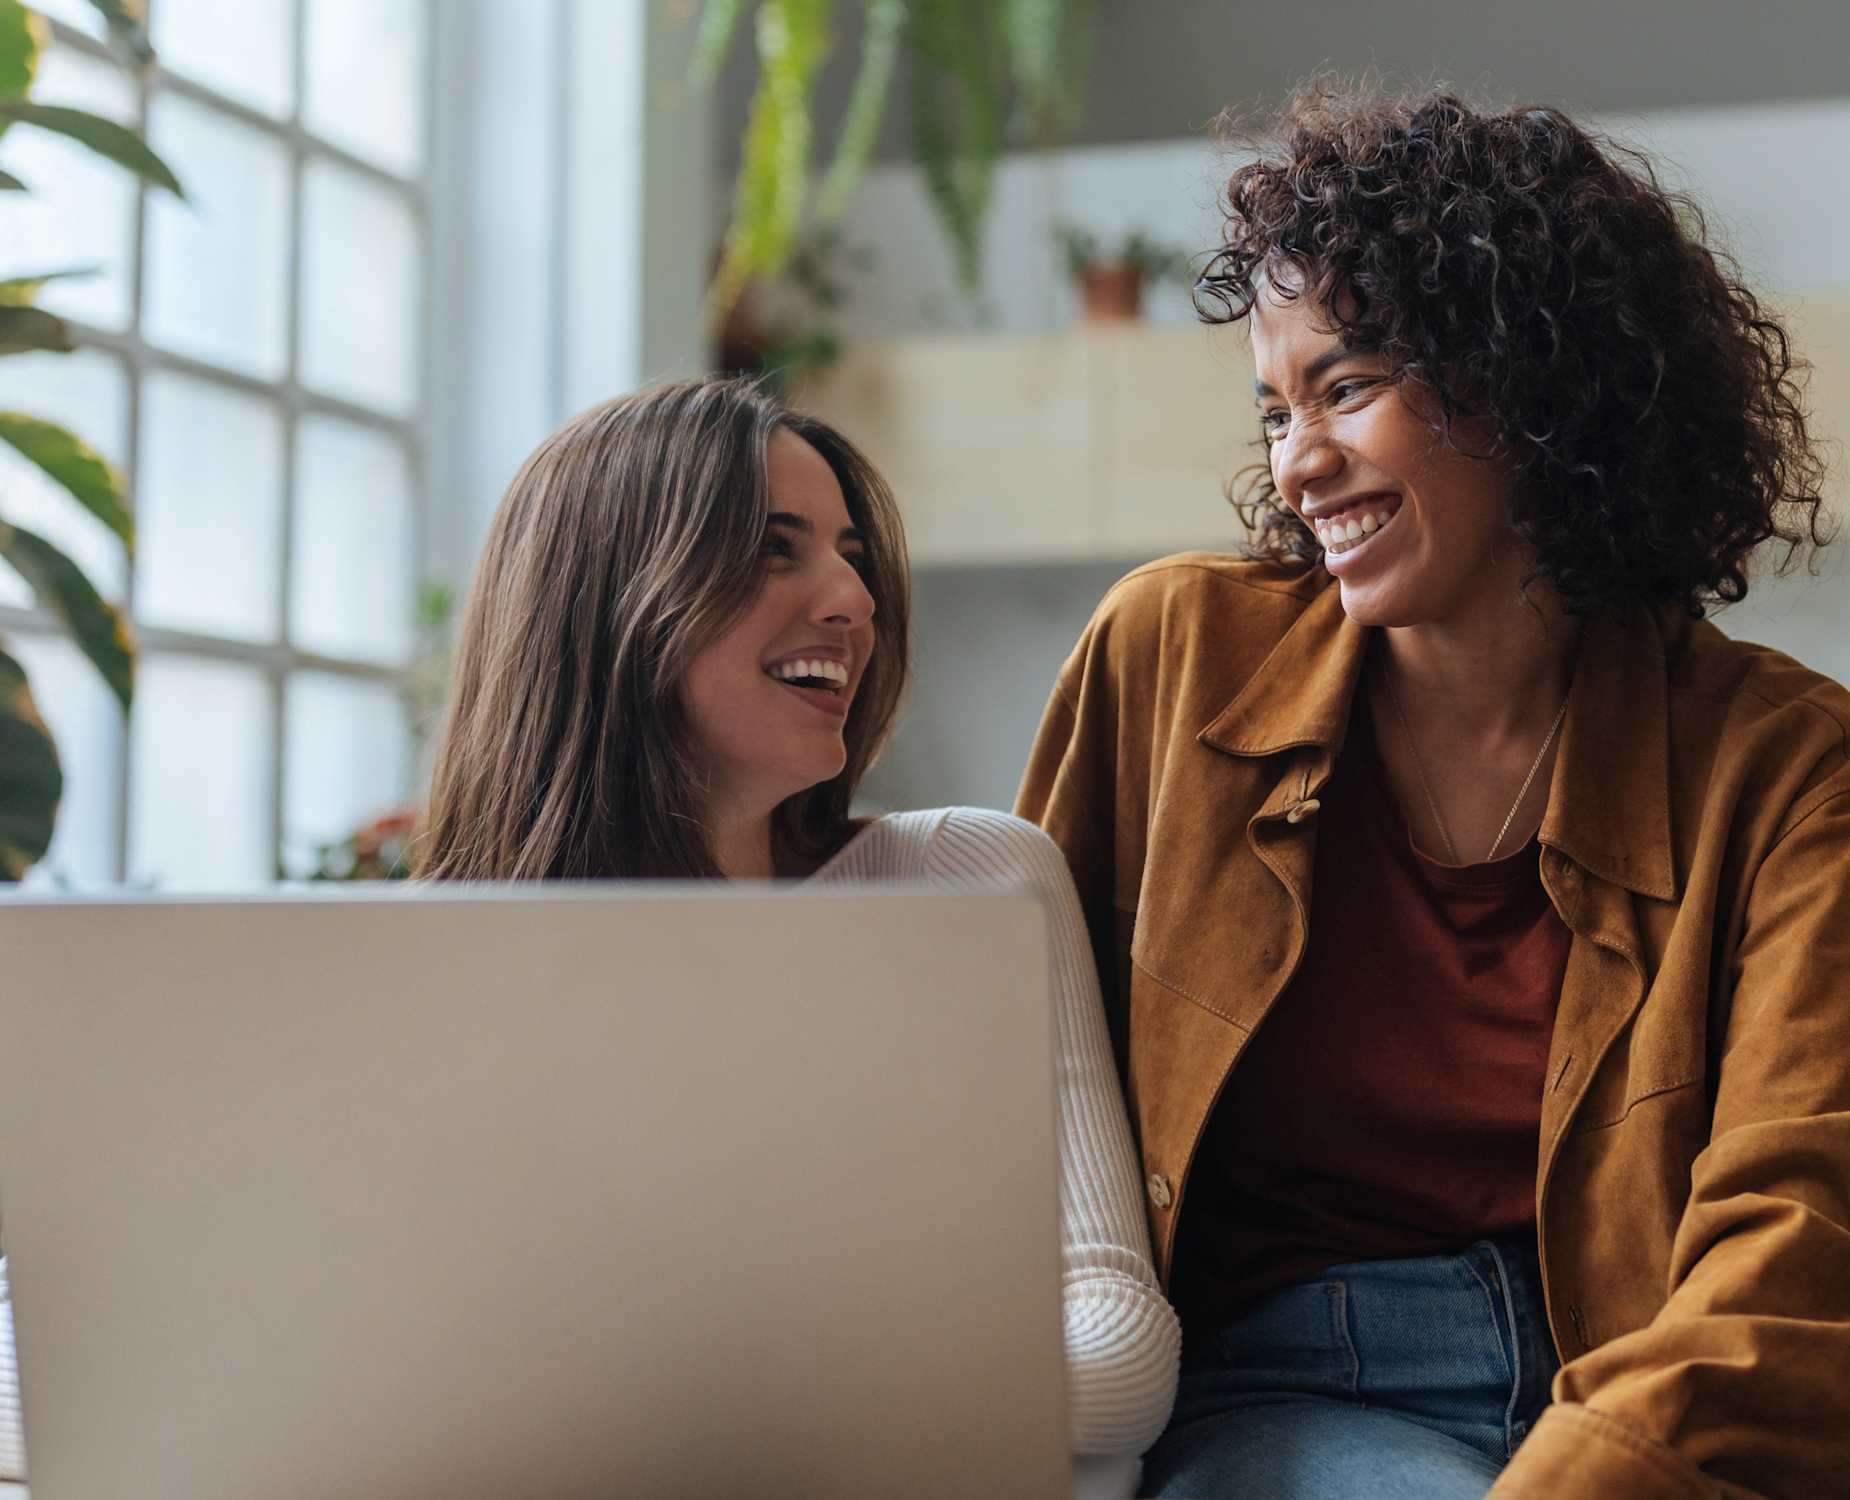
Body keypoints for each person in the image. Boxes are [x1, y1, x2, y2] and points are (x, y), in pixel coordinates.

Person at [1015, 80, 1850, 1499]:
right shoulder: (1169, 657)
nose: (1298, 464)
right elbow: (1006, 1100)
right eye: (1276, 410)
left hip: (1642, 1394)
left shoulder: (1779, 765)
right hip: (1284, 1389)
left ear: (1530, 382)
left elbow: (1802, 1233)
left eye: (1345, 387)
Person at [417, 375, 1180, 1463]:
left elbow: (1119, 1353)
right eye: (778, 548)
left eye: (851, 556)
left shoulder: (968, 880)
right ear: (612, 597)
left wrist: (709, 1401)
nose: (852, 600)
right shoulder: (431, 969)